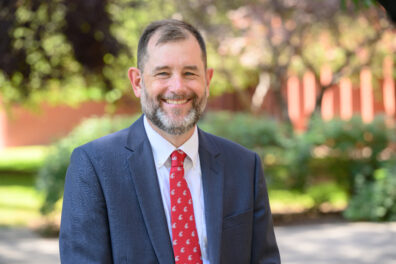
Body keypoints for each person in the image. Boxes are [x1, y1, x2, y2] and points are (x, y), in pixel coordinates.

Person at [59, 19, 280, 264]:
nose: (178, 87)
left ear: (207, 80)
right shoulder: (94, 167)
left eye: (189, 73)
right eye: (163, 73)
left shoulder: (244, 166)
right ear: (138, 82)